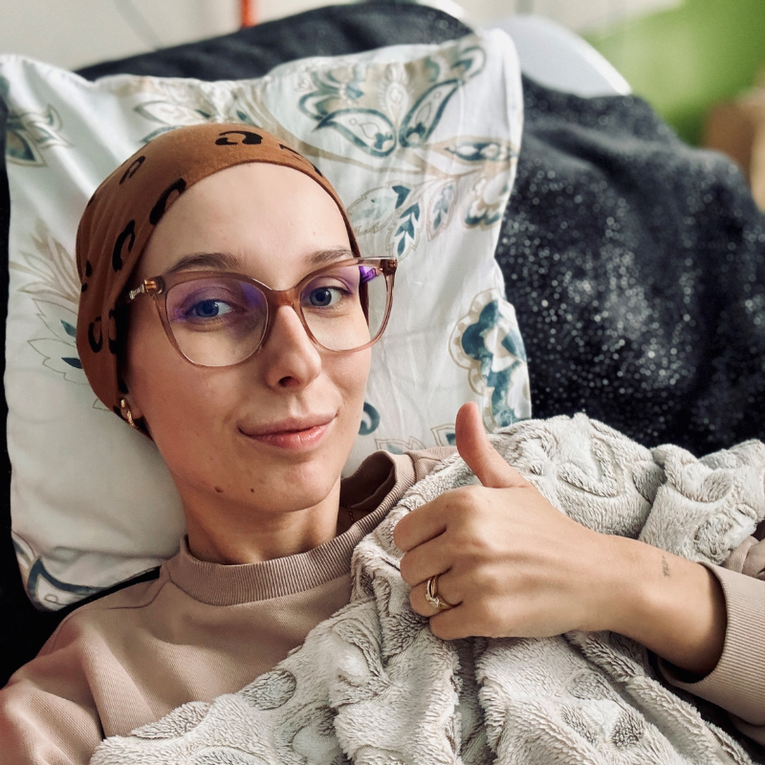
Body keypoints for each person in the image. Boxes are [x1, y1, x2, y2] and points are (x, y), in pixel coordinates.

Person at [0, 123, 762, 763]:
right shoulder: (83, 701)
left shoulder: (544, 481)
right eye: (210, 307)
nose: (296, 358)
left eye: (326, 292)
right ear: (120, 375)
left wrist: (618, 578)